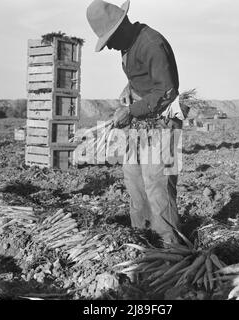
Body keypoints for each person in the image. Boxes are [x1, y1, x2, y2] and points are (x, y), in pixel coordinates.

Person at [86, 0, 184, 244]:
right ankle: (140, 240)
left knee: (156, 184)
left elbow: (167, 91)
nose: (109, 48)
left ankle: (169, 248)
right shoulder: (127, 44)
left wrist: (130, 111)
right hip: (140, 123)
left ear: (121, 27)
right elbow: (144, 78)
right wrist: (129, 89)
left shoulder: (151, 43)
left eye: (110, 41)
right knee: (134, 181)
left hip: (162, 123)